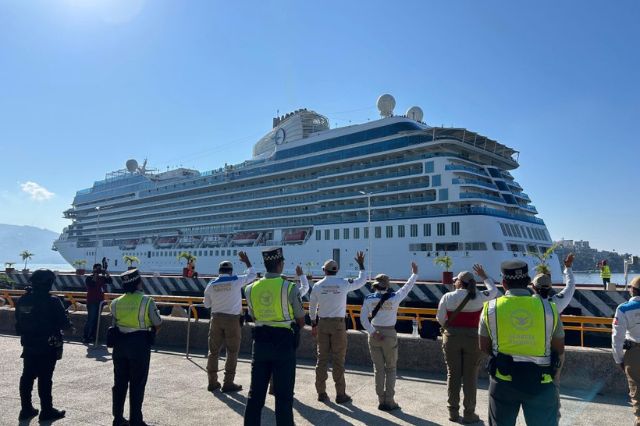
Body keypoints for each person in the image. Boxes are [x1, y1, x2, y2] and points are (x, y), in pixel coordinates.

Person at [479, 260, 564, 426]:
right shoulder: (549, 309)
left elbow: (484, 347)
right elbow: (559, 348)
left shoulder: (490, 308)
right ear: (528, 282)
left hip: (503, 381)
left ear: (503, 283)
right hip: (541, 381)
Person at [243, 248, 306, 426]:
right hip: (284, 344)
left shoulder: (250, 288)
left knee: (255, 396)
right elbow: (301, 320)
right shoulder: (290, 287)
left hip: (261, 343)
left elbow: (254, 317)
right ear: (280, 264)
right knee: (284, 397)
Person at [436, 264, 498, 423]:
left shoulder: (448, 297)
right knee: (471, 376)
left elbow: (440, 318)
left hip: (452, 338)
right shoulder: (479, 296)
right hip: (473, 339)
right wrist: (484, 276)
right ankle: (469, 413)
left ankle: (453, 412)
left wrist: (451, 328)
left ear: (458, 282)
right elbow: (494, 291)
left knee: (453, 374)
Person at [309, 251, 367, 404]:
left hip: (322, 324)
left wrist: (313, 323)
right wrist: (361, 264)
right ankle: (340, 394)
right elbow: (362, 281)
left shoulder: (317, 285)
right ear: (337, 271)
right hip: (338, 325)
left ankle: (321, 393)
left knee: (321, 359)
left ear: (324, 271)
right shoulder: (343, 283)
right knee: (338, 360)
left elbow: (312, 307)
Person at [360, 262, 418, 411]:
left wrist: (373, 332)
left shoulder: (368, 298)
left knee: (378, 369)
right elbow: (407, 287)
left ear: (375, 286)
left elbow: (363, 320)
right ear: (387, 285)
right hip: (389, 334)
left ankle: (380, 400)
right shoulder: (395, 297)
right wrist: (414, 273)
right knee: (391, 368)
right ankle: (389, 401)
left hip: (374, 334)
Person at [15, 269, 71, 422]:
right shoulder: (52, 301)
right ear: (48, 283)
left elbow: (18, 324)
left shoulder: (23, 299)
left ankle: (26, 409)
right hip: (48, 346)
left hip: (29, 344)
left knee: (27, 376)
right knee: (45, 379)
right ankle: (47, 410)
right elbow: (65, 325)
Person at [111, 268, 162, 426]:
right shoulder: (147, 301)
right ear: (138, 282)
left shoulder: (115, 302)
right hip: (139, 345)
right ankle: (136, 420)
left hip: (119, 345)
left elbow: (114, 323)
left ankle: (118, 418)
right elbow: (158, 323)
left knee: (119, 383)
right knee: (137, 383)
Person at [204, 251, 257, 392]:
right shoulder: (236, 280)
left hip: (215, 319)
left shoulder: (211, 284)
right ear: (231, 271)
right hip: (232, 320)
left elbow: (207, 305)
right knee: (232, 351)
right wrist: (247, 261)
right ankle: (228, 383)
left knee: (213, 352)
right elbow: (253, 275)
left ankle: (212, 382)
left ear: (219, 271)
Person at [612, 276, 640, 426]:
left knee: (637, 394)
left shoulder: (623, 309)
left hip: (634, 354)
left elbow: (617, 338)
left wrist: (619, 359)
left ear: (632, 290)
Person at [84, 263, 113, 343]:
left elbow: (110, 281)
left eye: (100, 269)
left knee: (97, 320)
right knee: (91, 319)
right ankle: (86, 336)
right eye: (97, 269)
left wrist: (106, 273)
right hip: (91, 301)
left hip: (100, 301)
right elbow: (91, 285)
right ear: (93, 269)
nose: (99, 271)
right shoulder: (89, 278)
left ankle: (93, 336)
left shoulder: (102, 278)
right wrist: (95, 275)